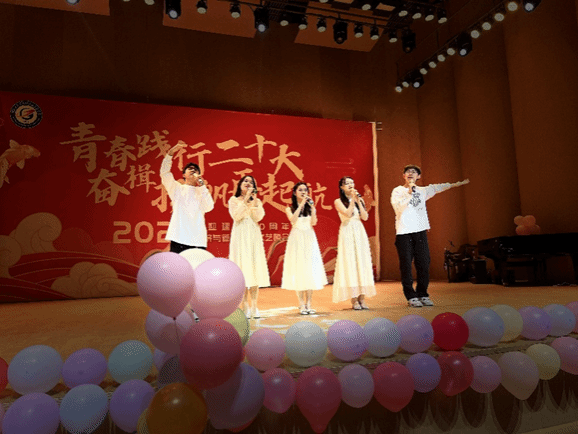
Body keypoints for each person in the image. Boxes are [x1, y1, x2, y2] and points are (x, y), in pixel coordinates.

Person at [390, 164, 469, 307]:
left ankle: (422, 293)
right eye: (408, 172)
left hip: (420, 231)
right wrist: (410, 192)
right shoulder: (398, 191)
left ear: (418, 176)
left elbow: (439, 187)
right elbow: (399, 208)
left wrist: (457, 184)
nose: (411, 173)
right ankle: (411, 296)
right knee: (406, 266)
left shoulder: (423, 191)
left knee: (424, 263)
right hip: (404, 233)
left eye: (414, 172)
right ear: (403, 176)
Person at [282, 182, 328, 315]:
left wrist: (313, 210)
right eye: (300, 190)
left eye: (305, 190)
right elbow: (293, 220)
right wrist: (301, 204)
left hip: (309, 238)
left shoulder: (310, 207)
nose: (303, 192)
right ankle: (301, 304)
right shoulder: (289, 208)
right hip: (297, 238)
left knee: (310, 269)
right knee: (299, 270)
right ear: (295, 192)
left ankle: (309, 304)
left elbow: (313, 222)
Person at [228, 175, 270, 319]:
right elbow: (236, 216)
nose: (248, 183)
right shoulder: (233, 200)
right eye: (245, 181)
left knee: (254, 268)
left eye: (251, 182)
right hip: (240, 236)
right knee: (243, 268)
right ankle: (244, 304)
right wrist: (245, 200)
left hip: (253, 236)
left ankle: (254, 306)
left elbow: (258, 217)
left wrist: (254, 202)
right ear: (240, 184)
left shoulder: (257, 201)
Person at [160, 143, 214, 253]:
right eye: (189, 169)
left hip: (197, 239)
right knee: (178, 264)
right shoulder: (177, 189)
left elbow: (209, 207)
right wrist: (170, 154)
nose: (193, 170)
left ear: (199, 175)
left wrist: (202, 185)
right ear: (184, 175)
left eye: (195, 169)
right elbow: (165, 174)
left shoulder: (201, 191)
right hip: (179, 237)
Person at [332, 176, 376, 310]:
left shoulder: (358, 199)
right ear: (342, 187)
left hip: (359, 231)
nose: (351, 185)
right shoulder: (338, 201)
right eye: (347, 183)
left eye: (352, 182)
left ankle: (362, 298)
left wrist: (358, 201)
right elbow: (348, 214)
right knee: (350, 263)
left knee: (362, 263)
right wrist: (352, 200)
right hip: (347, 231)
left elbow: (365, 217)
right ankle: (354, 299)